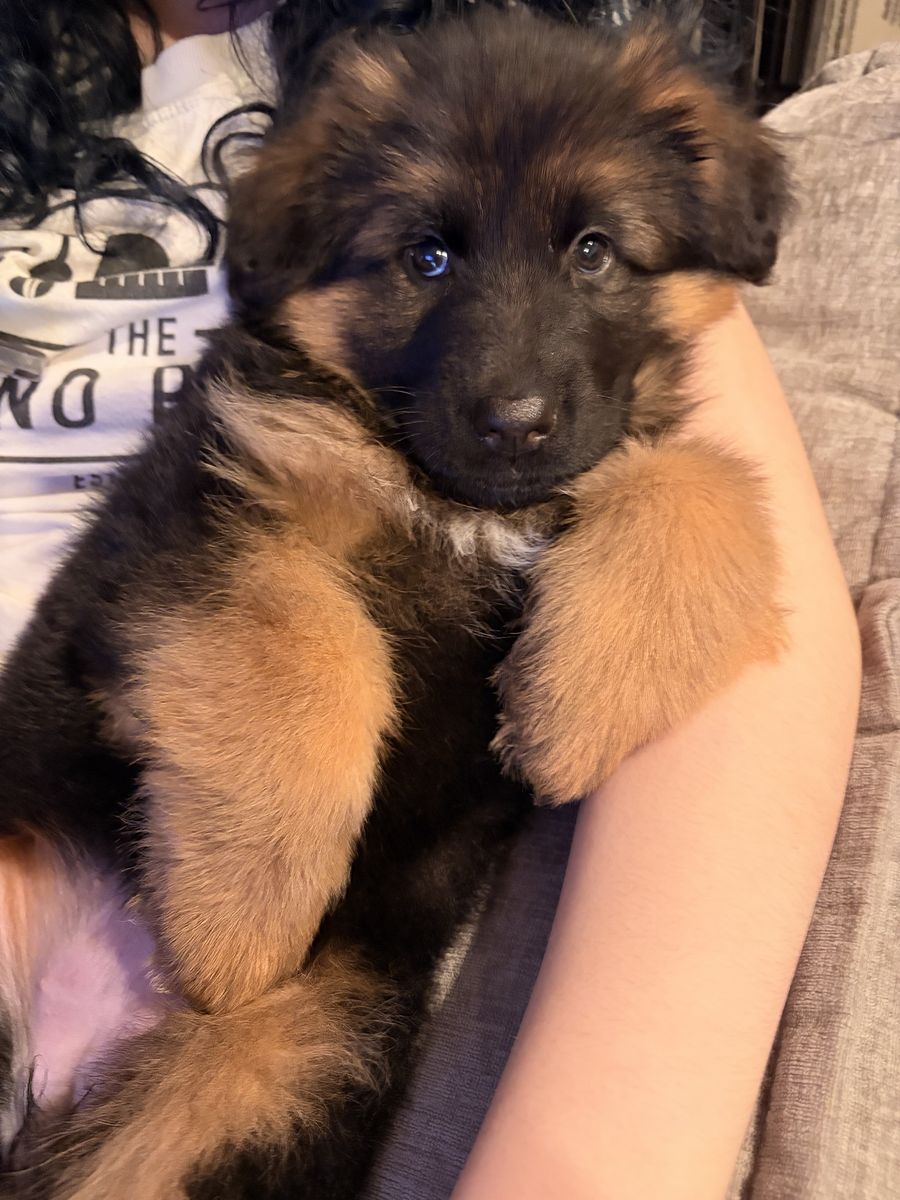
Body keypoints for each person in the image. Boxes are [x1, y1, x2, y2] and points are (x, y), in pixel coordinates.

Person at [0, 3, 860, 1198]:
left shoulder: (525, 72)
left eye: (591, 253)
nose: (513, 387)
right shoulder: (296, 346)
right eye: (428, 258)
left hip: (301, 990)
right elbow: (196, 544)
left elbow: (751, 630)